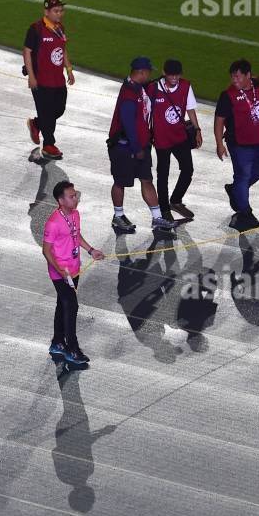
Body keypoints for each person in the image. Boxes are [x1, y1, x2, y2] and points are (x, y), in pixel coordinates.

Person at [43, 180, 104, 370]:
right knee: (71, 305)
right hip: (61, 273)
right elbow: (46, 250)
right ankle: (72, 349)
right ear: (61, 200)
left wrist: (91, 250)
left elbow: (76, 235)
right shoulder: (53, 223)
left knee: (62, 305)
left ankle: (57, 342)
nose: (75, 198)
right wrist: (60, 270)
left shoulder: (75, 214)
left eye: (75, 195)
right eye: (71, 196)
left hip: (74, 268)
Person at [109, 57, 174, 234]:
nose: (150, 74)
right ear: (142, 72)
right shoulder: (129, 94)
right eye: (149, 72)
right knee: (120, 181)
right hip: (125, 147)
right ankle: (118, 216)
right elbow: (128, 124)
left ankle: (157, 218)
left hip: (141, 144)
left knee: (146, 179)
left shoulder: (137, 88)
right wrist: (137, 148)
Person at [213, 59, 259, 230]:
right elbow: (219, 121)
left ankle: (236, 190)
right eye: (232, 77)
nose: (234, 81)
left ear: (248, 75)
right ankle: (245, 211)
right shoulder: (228, 95)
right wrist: (219, 144)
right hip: (239, 144)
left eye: (238, 77)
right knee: (243, 175)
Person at [148, 59, 203, 222]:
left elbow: (190, 109)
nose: (174, 78)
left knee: (188, 169)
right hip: (161, 139)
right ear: (164, 73)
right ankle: (165, 209)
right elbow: (146, 112)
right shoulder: (153, 88)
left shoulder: (185, 86)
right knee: (163, 175)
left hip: (179, 136)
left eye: (177, 75)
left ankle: (176, 200)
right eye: (171, 75)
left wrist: (197, 129)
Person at [24, 0, 74, 161]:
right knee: (47, 112)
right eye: (56, 11)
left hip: (58, 80)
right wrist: (31, 76)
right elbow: (27, 52)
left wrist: (69, 69)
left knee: (58, 110)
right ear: (46, 12)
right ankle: (49, 145)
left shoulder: (60, 28)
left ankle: (36, 124)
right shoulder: (36, 29)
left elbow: (62, 49)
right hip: (41, 80)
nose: (59, 14)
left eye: (61, 11)